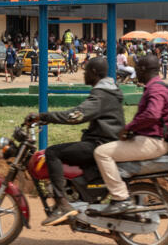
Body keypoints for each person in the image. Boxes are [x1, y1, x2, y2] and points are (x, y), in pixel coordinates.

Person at [27, 57, 125, 226]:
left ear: (94, 73)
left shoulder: (102, 94)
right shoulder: (109, 91)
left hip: (100, 144)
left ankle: (62, 204)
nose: (84, 74)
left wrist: (44, 117)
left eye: (86, 70)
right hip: (105, 141)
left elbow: (76, 115)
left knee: (52, 152)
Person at [93, 55, 168, 216]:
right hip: (150, 139)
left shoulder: (156, 89)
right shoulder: (156, 86)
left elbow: (152, 114)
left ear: (143, 70)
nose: (135, 73)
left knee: (101, 153)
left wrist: (129, 127)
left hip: (152, 142)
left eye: (137, 69)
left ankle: (120, 198)